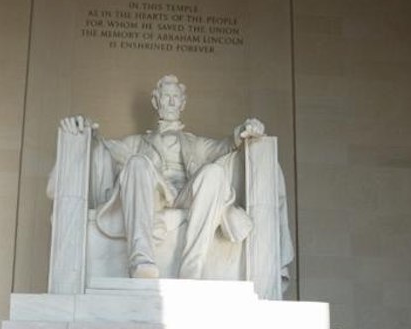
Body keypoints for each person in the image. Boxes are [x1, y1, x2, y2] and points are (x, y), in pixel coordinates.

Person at [55, 74, 293, 291]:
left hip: (186, 195)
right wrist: (84, 128)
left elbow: (227, 145)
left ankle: (192, 268)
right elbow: (103, 146)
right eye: (165, 97)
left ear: (183, 103)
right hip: (156, 195)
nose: (170, 103)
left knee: (213, 173)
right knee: (137, 163)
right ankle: (141, 261)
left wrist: (244, 130)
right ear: (156, 102)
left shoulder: (196, 143)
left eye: (175, 98)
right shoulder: (137, 142)